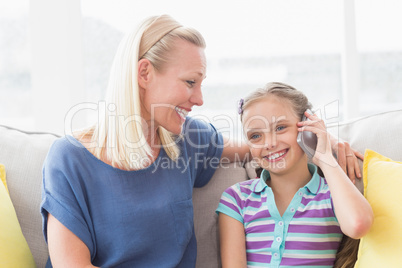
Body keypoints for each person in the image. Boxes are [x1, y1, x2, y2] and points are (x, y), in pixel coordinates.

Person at [40, 15, 362, 267]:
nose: (199, 98)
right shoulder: (70, 159)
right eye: (190, 82)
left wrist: (323, 142)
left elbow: (262, 146)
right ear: (144, 74)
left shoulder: (186, 139)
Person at [216, 82, 373, 268]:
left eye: (280, 128)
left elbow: (358, 225)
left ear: (307, 129)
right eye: (255, 136)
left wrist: (324, 156)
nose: (269, 143)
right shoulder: (237, 198)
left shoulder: (332, 194)